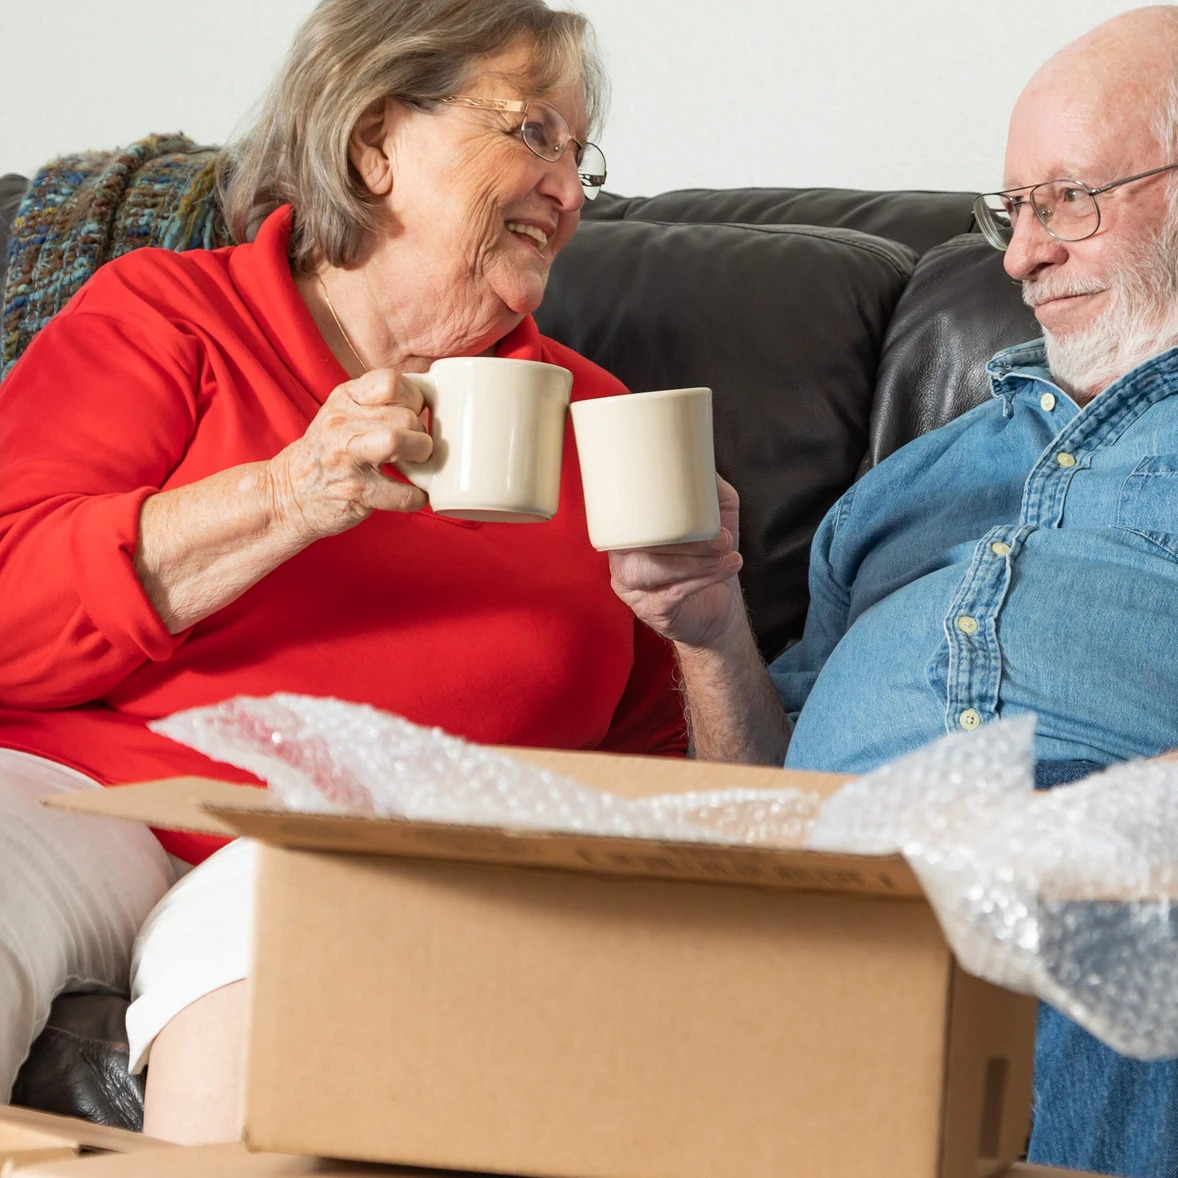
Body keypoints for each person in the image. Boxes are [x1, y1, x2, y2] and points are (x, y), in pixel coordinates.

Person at [0, 0, 687, 1142]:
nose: (568, 190)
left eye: (581, 154)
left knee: (273, 992)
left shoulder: (601, 421)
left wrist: (706, 625)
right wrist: (284, 494)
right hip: (83, 797)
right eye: (531, 133)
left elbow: (661, 769)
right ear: (373, 142)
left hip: (362, 843)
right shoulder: (168, 317)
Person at [612, 7, 1178, 1176]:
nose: (1018, 257)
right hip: (825, 913)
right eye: (1009, 212)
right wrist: (713, 631)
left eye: (1066, 199)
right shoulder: (900, 488)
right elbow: (756, 805)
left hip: (1100, 892)